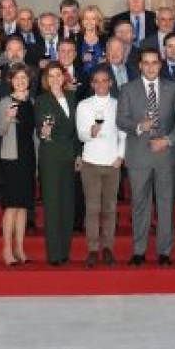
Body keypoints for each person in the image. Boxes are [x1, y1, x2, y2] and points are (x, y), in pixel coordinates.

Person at [116, 48, 175, 266]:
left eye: (155, 62)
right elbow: (121, 120)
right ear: (140, 66)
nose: (151, 67)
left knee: (165, 204)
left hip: (165, 154)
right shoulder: (127, 89)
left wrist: (168, 140)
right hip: (138, 155)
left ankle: (164, 251)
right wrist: (138, 126)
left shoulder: (173, 88)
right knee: (139, 205)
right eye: (146, 62)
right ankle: (139, 251)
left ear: (160, 65)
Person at [33, 62, 79, 266]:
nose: (54, 79)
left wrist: (78, 155)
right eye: (50, 76)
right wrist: (43, 133)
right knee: (53, 205)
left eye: (58, 75)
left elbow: (78, 131)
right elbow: (40, 130)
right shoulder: (41, 101)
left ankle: (65, 250)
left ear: (64, 77)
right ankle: (54, 254)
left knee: (67, 203)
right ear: (46, 79)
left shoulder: (72, 98)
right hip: (51, 154)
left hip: (70, 155)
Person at [77, 68, 124, 267]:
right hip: (91, 162)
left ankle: (108, 248)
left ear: (111, 83)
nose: (102, 84)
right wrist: (91, 132)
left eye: (105, 81)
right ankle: (93, 249)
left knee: (110, 208)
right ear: (92, 84)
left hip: (113, 163)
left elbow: (123, 133)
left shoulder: (118, 104)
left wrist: (121, 156)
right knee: (93, 208)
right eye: (97, 81)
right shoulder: (84, 105)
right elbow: (81, 134)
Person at [0, 65, 36, 266]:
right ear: (11, 81)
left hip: (28, 157)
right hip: (12, 158)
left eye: (24, 78)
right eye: (17, 78)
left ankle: (20, 248)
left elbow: (34, 134)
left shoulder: (32, 103)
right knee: (12, 205)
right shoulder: (5, 102)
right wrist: (8, 118)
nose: (21, 81)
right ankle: (6, 250)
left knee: (23, 206)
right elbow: (1, 131)